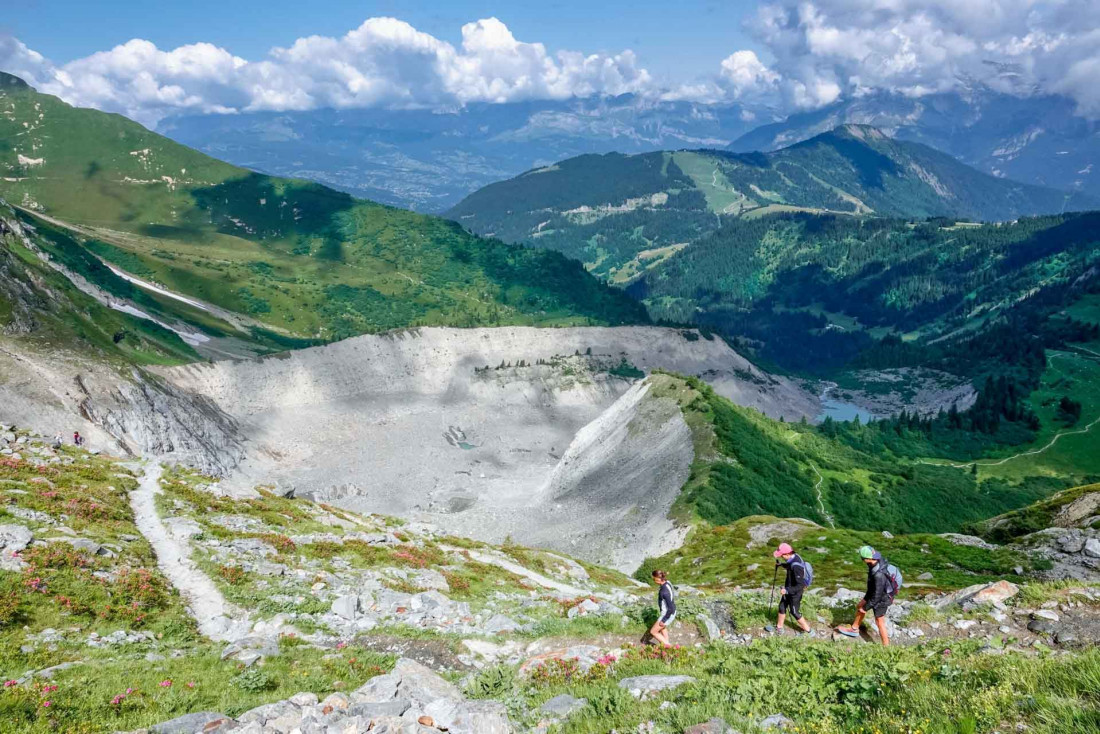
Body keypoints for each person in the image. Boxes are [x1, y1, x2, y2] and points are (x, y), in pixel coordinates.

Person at [839, 546, 894, 646]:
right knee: (860, 606)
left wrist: (866, 607)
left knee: (879, 621)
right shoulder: (874, 563)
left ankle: (886, 646)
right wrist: (864, 601)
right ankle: (854, 629)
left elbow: (877, 595)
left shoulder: (879, 575)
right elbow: (873, 588)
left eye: (862, 558)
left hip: (883, 598)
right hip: (875, 593)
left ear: (867, 559)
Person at [772, 542, 813, 635]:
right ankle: (779, 627)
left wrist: (787, 590)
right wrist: (781, 565)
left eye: (782, 555)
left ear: (787, 554)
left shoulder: (796, 566)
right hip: (789, 589)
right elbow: (789, 566)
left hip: (795, 593)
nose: (781, 557)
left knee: (794, 612)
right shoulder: (794, 557)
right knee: (782, 607)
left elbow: (800, 586)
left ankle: (809, 631)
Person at [648, 569, 676, 648]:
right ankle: (665, 646)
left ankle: (669, 647)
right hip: (672, 611)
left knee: (653, 631)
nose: (654, 581)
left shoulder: (664, 592)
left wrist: (664, 620)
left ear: (658, 579)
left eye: (654, 579)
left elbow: (669, 608)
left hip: (668, 613)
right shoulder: (667, 583)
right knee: (662, 628)